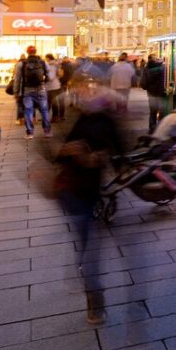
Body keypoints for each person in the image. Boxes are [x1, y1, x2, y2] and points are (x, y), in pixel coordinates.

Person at [55, 84, 124, 324]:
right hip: (71, 190)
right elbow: (57, 153)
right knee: (85, 244)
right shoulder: (76, 119)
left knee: (87, 247)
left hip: (88, 189)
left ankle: (94, 296)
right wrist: (71, 151)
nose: (87, 96)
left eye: (93, 93)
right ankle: (94, 296)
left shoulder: (107, 122)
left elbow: (120, 153)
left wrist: (101, 158)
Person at [16, 46, 52, 140]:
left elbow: (18, 79)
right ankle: (47, 132)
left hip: (27, 90)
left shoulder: (22, 64)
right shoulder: (43, 62)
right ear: (36, 52)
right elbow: (49, 76)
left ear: (27, 52)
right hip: (41, 89)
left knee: (28, 111)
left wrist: (16, 92)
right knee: (44, 110)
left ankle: (30, 133)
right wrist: (44, 84)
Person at [142, 54, 168, 133]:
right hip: (161, 94)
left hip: (151, 94)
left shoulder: (146, 69)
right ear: (156, 59)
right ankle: (161, 129)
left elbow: (143, 84)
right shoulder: (163, 68)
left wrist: (149, 88)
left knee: (153, 113)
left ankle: (152, 129)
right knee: (162, 112)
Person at [45, 54, 63, 123]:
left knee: (51, 103)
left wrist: (44, 77)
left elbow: (51, 77)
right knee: (53, 102)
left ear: (48, 58)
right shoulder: (55, 64)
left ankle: (53, 117)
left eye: (46, 58)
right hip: (55, 86)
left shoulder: (51, 65)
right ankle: (54, 117)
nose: (45, 59)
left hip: (52, 87)